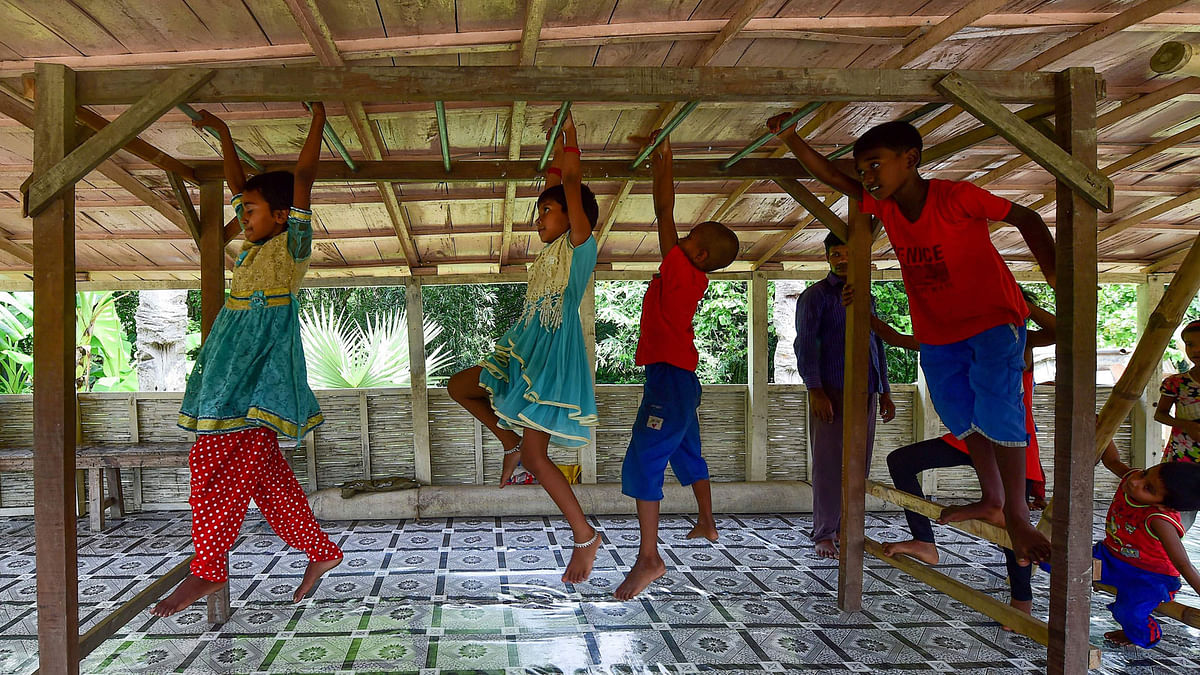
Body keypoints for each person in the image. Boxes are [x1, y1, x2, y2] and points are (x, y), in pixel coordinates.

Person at [766, 113, 1058, 563]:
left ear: (911, 159)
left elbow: (1028, 218)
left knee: (998, 407)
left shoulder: (955, 197)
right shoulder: (884, 208)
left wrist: (1060, 280)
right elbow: (833, 176)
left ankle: (1017, 513)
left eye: (875, 165)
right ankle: (993, 500)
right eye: (863, 170)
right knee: (963, 416)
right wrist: (792, 139)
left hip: (993, 320)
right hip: (938, 333)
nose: (868, 177)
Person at [152, 104, 342, 617]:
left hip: (255, 382)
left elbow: (302, 176)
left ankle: (209, 568)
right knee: (268, 482)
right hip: (228, 374)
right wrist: (225, 136)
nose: (242, 216)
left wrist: (319, 119)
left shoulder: (293, 245)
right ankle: (322, 552)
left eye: (252, 210)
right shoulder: (253, 245)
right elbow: (241, 187)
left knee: (214, 466)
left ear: (283, 215)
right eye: (242, 210)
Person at [447, 110, 603, 584]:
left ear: (574, 217)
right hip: (528, 348)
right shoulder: (552, 251)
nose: (540, 218)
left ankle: (584, 538)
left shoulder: (580, 245)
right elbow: (559, 180)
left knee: (540, 459)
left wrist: (572, 139)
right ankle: (508, 440)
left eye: (547, 211)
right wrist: (556, 144)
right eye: (539, 211)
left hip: (553, 359)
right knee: (460, 386)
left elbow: (570, 184)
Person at [612, 130, 740, 600]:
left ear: (699, 255)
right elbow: (669, 222)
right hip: (677, 379)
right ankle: (706, 522)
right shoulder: (687, 274)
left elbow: (664, 213)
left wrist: (663, 164)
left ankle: (649, 558)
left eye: (687, 239)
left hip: (670, 379)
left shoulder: (684, 271)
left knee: (644, 459)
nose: (677, 240)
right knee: (687, 453)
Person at [875, 293, 1055, 623]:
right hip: (971, 436)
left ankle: (1022, 604)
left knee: (1012, 525)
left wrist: (1025, 305)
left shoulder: (1018, 342)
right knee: (901, 461)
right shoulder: (960, 340)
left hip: (1011, 444)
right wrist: (865, 317)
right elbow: (899, 339)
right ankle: (924, 541)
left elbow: (1060, 330)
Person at [795, 231, 895, 559]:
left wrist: (885, 391)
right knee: (827, 464)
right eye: (835, 254)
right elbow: (806, 345)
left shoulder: (867, 296)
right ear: (827, 258)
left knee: (858, 464)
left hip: (864, 392)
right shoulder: (816, 296)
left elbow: (876, 344)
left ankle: (845, 526)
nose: (841, 260)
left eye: (847, 254)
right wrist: (816, 390)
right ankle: (823, 533)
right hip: (831, 392)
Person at [1095, 438, 1200, 647]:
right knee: (1055, 561)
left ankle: (1144, 635)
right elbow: (1112, 461)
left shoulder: (1160, 520)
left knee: (1129, 611)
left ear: (1164, 507)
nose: (1135, 481)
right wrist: (1101, 429)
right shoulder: (1132, 480)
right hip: (1111, 557)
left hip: (1150, 576)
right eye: (1145, 473)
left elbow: (1182, 564)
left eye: (1148, 488)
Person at [1155, 320, 1200, 531]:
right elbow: (1160, 414)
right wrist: (1186, 425)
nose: (1195, 350)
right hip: (1183, 460)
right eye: (1190, 345)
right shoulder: (1177, 382)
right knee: (1178, 520)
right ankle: (1171, 562)